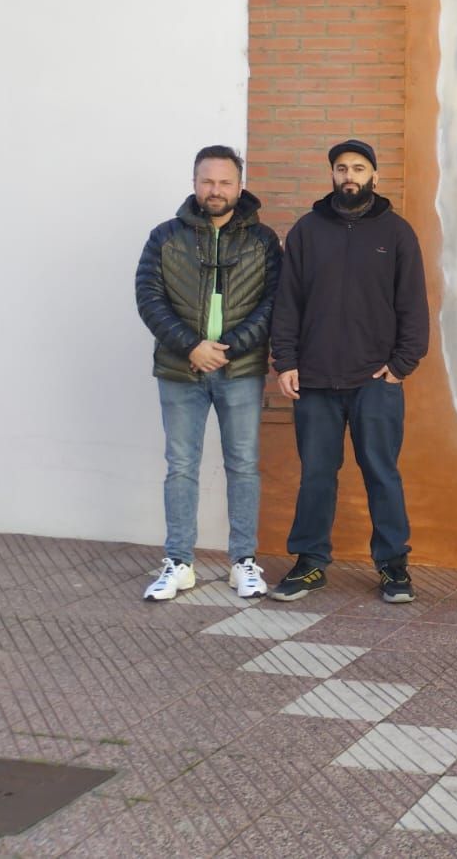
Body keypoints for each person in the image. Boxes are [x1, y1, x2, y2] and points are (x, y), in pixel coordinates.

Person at [269, 139, 429, 603]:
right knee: (317, 474)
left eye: (359, 168)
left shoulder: (397, 234)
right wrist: (286, 362)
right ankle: (310, 562)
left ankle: (394, 566)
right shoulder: (306, 232)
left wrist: (402, 366)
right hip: (314, 380)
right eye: (341, 168)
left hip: (375, 381)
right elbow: (287, 304)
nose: (350, 176)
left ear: (375, 176)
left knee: (381, 472)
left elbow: (414, 307)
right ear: (333, 175)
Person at [136, 145, 281, 601]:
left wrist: (228, 348)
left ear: (239, 185)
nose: (215, 190)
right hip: (181, 370)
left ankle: (244, 562)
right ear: (194, 183)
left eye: (223, 182)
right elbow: (149, 297)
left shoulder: (263, 241)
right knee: (180, 466)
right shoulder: (165, 237)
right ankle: (179, 562)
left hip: (240, 369)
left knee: (243, 466)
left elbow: (274, 302)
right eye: (207, 181)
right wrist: (191, 347)